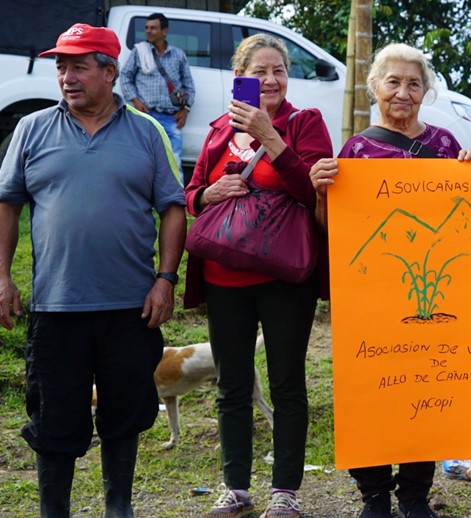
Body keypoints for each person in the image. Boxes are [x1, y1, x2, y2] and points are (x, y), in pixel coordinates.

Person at [0, 23, 186, 517]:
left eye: (78, 66)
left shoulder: (146, 132)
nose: (66, 76)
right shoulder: (31, 128)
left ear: (109, 72)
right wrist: (2, 276)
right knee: (54, 418)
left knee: (124, 416)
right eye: (60, 66)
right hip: (56, 306)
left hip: (130, 306)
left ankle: (117, 508)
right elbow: (8, 204)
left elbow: (173, 206)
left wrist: (165, 279)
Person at [308, 42, 471, 518]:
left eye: (413, 83)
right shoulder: (355, 151)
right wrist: (321, 193)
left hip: (434, 294)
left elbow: (468, 214)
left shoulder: (447, 146)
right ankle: (373, 496)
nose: (403, 92)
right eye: (393, 82)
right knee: (373, 389)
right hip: (372, 294)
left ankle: (413, 495)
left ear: (426, 90)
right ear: (375, 88)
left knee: (425, 391)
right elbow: (332, 230)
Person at [183, 33, 331, 518]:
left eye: (279, 71)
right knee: (232, 384)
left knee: (287, 383)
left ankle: (285, 492)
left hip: (286, 275)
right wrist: (208, 194)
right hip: (226, 276)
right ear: (239, 77)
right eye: (259, 72)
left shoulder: (305, 124)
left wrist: (270, 136)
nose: (270, 80)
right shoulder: (218, 129)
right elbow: (192, 193)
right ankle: (236, 488)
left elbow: (314, 196)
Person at [120, 12, 195, 171]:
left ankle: (175, 196)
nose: (148, 31)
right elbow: (125, 76)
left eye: (153, 28)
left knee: (173, 162)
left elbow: (188, 85)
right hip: (145, 116)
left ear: (164, 31)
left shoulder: (178, 55)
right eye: (146, 28)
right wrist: (135, 100)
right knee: (141, 161)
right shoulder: (139, 51)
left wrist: (186, 109)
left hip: (170, 118)